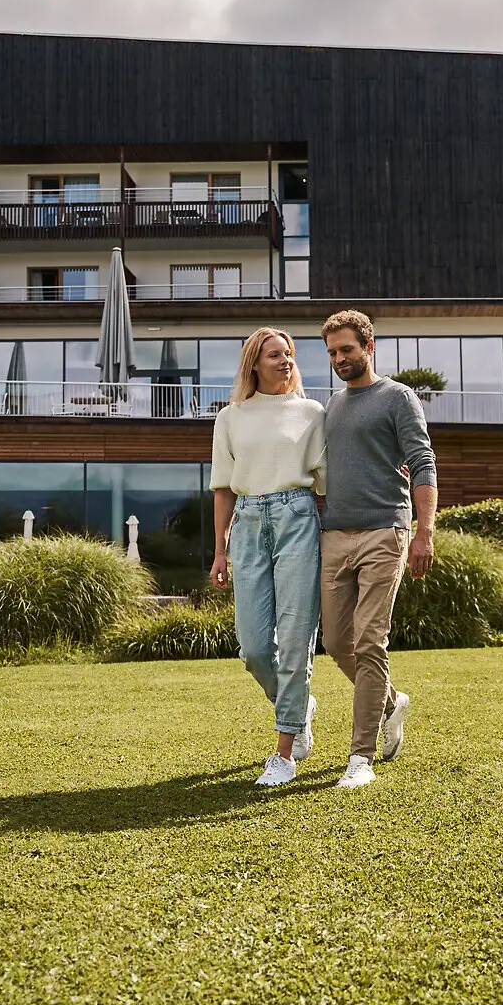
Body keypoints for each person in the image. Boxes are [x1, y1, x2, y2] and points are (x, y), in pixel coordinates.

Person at [318, 309, 437, 791]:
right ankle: (391, 701)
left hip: (385, 532)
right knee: (335, 644)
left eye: (346, 349)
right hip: (334, 535)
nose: (339, 359)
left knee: (369, 641)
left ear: (369, 346)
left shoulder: (397, 398)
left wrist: (423, 532)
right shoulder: (331, 407)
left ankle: (360, 756)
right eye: (331, 353)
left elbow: (423, 461)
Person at [209, 328, 327, 788]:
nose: (285, 360)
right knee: (255, 647)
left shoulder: (311, 412)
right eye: (275, 354)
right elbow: (223, 486)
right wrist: (219, 550)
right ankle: (299, 706)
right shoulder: (231, 416)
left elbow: (328, 479)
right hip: (248, 522)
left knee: (296, 639)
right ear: (253, 363)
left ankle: (284, 755)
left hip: (297, 516)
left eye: (289, 354)